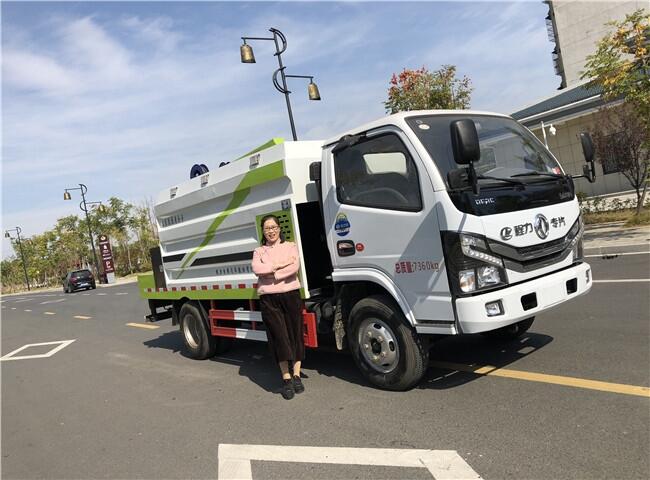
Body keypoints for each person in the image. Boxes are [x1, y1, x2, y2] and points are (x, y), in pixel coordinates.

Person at [252, 215, 305, 400]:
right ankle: (286, 379)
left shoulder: (290, 246)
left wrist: (272, 274)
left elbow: (294, 267)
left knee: (295, 334)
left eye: (274, 227)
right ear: (263, 231)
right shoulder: (258, 251)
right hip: (269, 298)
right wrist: (280, 265)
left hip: (291, 294)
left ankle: (297, 375)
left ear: (279, 228)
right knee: (279, 336)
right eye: (267, 228)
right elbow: (257, 269)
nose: (271, 231)